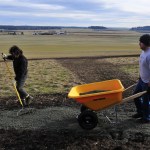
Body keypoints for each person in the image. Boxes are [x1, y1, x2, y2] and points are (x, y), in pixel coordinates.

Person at [132, 34, 150, 123]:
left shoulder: (149, 55)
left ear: (145, 43)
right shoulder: (143, 52)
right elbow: (143, 66)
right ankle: (140, 112)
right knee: (135, 96)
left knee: (146, 100)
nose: (139, 43)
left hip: (147, 83)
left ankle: (146, 118)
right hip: (142, 80)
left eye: (141, 42)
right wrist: (140, 76)